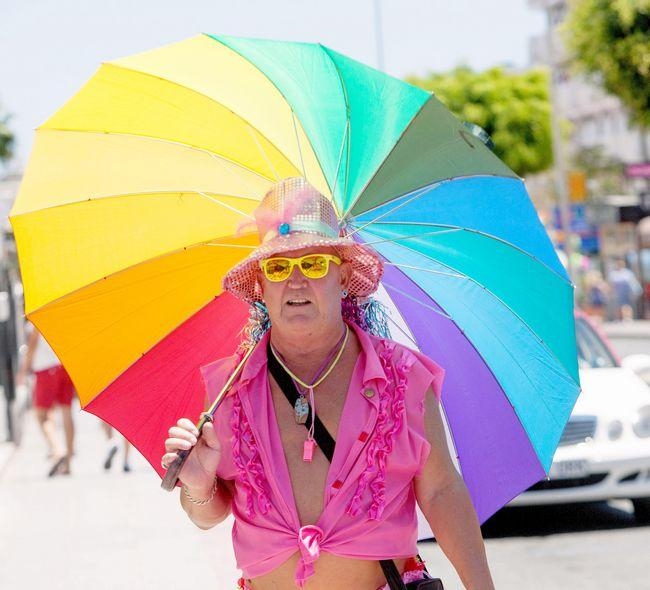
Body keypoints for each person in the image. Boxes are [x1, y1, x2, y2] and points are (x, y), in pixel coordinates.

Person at [162, 178, 495, 590]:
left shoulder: (402, 377)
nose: (296, 281)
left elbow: (442, 490)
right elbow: (208, 513)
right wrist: (197, 487)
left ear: (342, 276)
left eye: (314, 264)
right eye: (279, 267)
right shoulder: (228, 388)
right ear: (261, 287)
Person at [16, 324, 75, 476]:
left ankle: (57, 450)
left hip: (45, 369)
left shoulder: (37, 317)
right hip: (64, 365)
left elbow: (33, 343)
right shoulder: (60, 312)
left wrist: (23, 371)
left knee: (41, 415)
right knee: (67, 412)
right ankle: (68, 463)